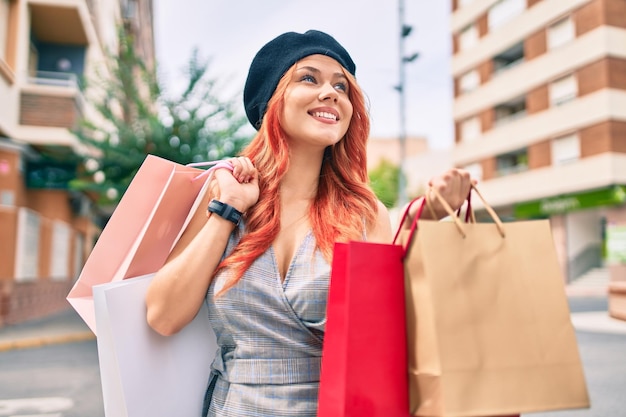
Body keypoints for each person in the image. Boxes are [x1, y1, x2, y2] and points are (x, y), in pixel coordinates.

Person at [145, 29, 473, 417]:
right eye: (309, 78)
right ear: (271, 100)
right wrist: (228, 210)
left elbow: (388, 335)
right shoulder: (223, 191)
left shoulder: (365, 214)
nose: (332, 92)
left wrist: (428, 223)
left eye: (342, 86)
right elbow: (163, 316)